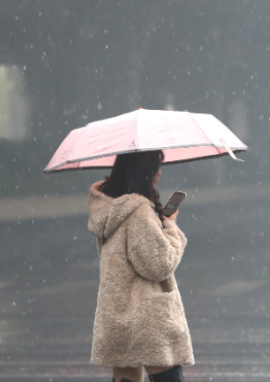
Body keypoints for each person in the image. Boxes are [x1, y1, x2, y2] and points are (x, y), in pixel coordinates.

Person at [87, 150, 194, 382]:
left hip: (117, 316)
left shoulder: (109, 209)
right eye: (156, 166)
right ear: (143, 171)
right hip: (146, 320)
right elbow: (159, 264)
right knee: (168, 376)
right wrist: (170, 227)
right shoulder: (138, 213)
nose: (159, 172)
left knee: (126, 378)